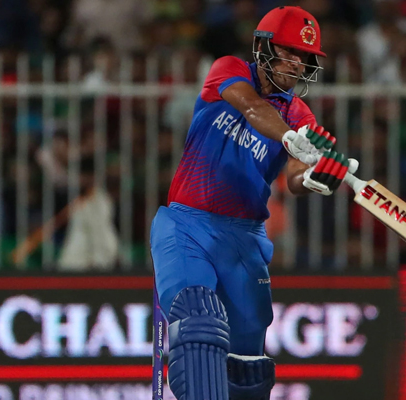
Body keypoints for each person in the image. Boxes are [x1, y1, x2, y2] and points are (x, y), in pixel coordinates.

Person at [149, 6, 358, 400]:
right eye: (289, 52)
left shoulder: (301, 115)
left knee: (248, 372)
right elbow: (250, 106)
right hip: (188, 226)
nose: (297, 64)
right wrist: (289, 136)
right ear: (263, 47)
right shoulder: (229, 70)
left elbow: (296, 175)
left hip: (245, 241)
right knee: (198, 323)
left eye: (304, 58)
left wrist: (313, 178)